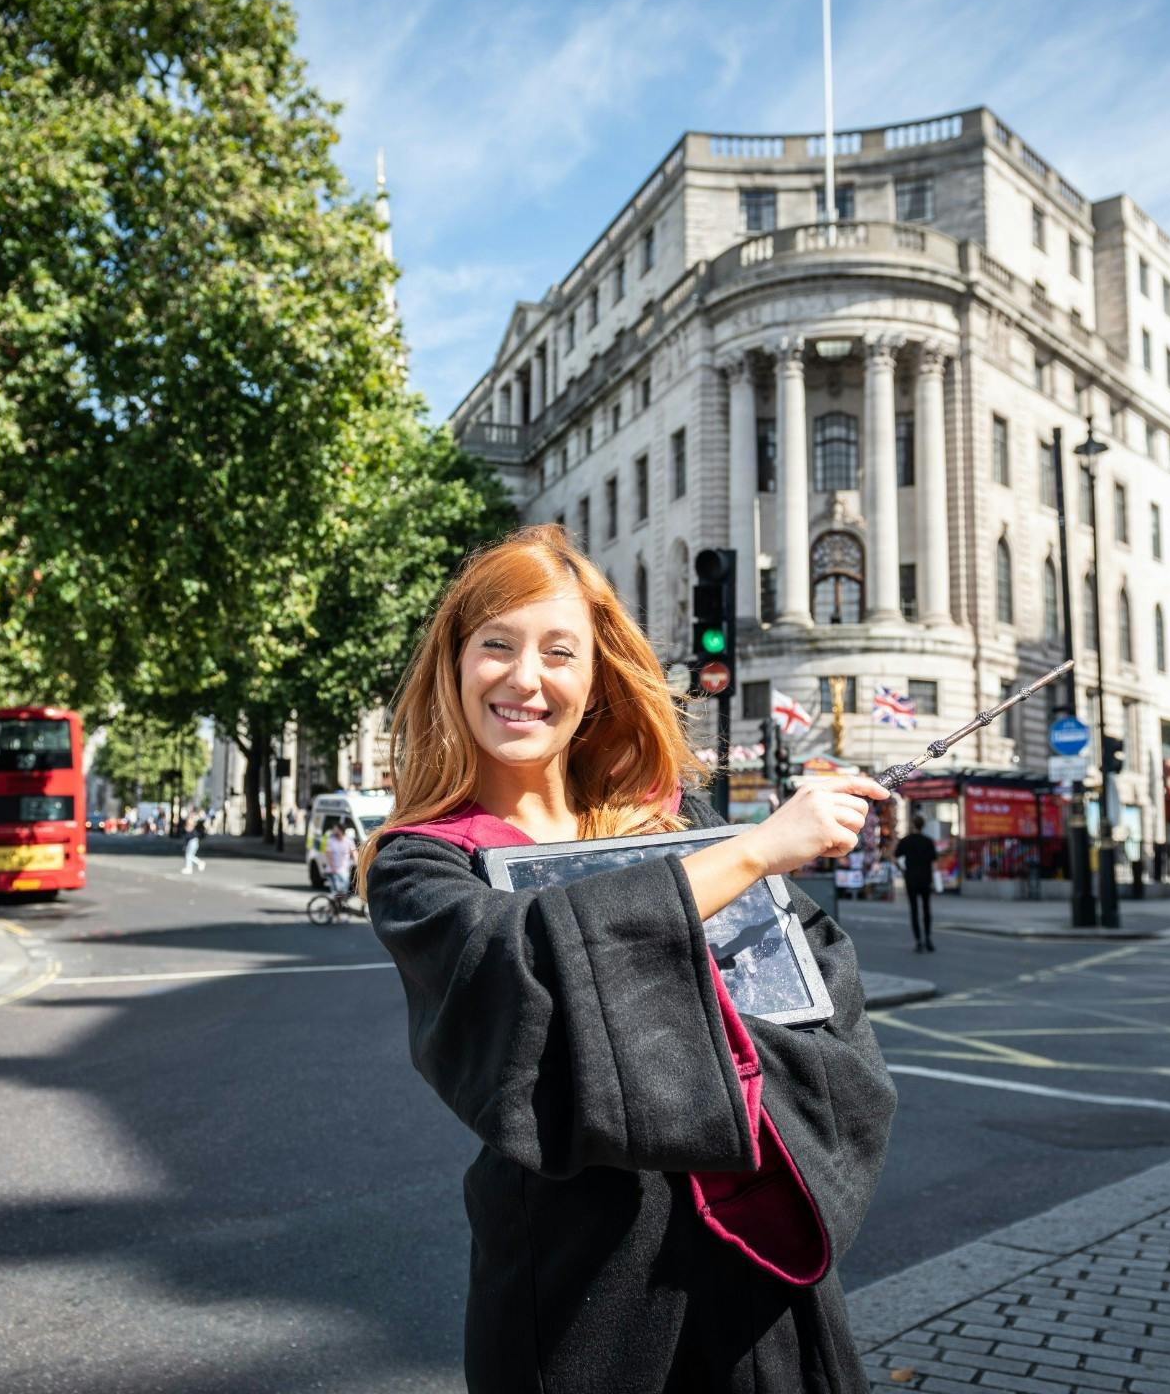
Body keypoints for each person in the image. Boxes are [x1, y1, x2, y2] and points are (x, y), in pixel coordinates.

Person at [360, 525, 896, 1394]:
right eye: (497, 645)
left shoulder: (667, 834)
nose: (526, 679)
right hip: (583, 1295)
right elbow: (517, 974)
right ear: (454, 665)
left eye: (560, 653)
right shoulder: (425, 862)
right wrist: (752, 858)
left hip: (755, 1267)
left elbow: (819, 993)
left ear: (596, 678)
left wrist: (713, 1060)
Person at [894, 815, 938, 952]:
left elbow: (895, 856)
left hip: (911, 879)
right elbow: (934, 862)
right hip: (926, 879)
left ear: (913, 825)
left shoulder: (906, 841)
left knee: (914, 909)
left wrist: (903, 870)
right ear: (923, 825)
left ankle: (918, 941)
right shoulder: (928, 841)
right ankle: (928, 939)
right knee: (926, 909)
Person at [324, 820, 358, 905]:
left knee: (343, 892)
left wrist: (358, 863)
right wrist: (333, 867)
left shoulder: (348, 841)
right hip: (332, 870)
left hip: (343, 870)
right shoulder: (331, 841)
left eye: (335, 829)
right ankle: (334, 908)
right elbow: (329, 854)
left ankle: (338, 907)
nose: (334, 831)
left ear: (341, 830)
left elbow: (354, 853)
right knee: (337, 891)